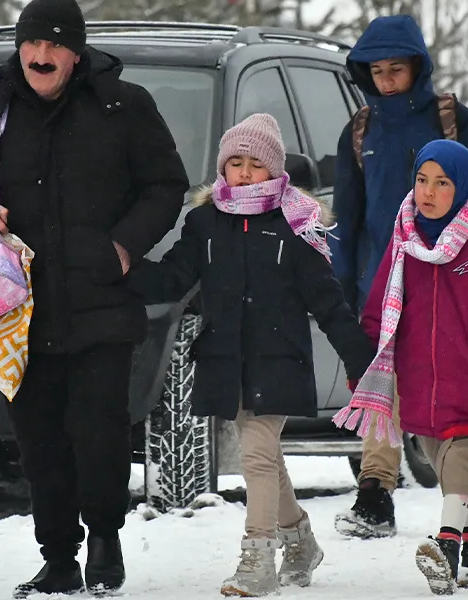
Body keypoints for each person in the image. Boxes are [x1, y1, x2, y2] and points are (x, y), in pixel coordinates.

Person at [0, 0, 188, 598]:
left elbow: (166, 184)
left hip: (101, 303)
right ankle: (58, 556)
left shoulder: (124, 106)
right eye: (31, 42)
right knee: (39, 440)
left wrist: (123, 246)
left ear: (76, 53)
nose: (40, 54)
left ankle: (106, 541)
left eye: (54, 44)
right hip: (18, 311)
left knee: (98, 431)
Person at [128, 113, 374, 597]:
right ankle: (300, 540)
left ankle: (257, 557)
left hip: (278, 360)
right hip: (225, 359)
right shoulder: (204, 222)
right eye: (235, 162)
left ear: (275, 171)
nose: (243, 172)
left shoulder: (294, 226)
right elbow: (173, 279)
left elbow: (328, 301)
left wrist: (361, 361)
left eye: (254, 164)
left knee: (257, 455)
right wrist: (119, 270)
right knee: (265, 459)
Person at [331, 15, 468, 538]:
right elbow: (348, 213)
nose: (386, 79)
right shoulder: (360, 131)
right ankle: (375, 492)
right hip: (382, 282)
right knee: (381, 382)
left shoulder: (452, 120)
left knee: (458, 383)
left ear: (416, 68)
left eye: (396, 68)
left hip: (452, 279)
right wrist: (344, 282)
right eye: (377, 70)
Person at [336, 140, 468, 594]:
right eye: (423, 180)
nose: (429, 191)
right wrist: (366, 362)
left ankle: (447, 545)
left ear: (460, 188)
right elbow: (379, 306)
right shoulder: (405, 244)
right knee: (440, 461)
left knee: (460, 455)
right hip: (419, 380)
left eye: (442, 183)